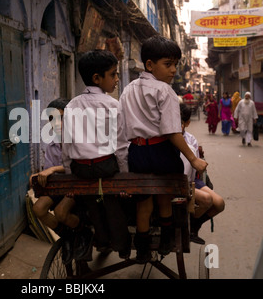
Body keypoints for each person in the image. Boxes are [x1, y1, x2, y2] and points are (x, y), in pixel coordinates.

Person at [119, 35, 208, 262]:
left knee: (143, 202)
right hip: (161, 152)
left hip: (137, 153)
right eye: (168, 64)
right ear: (150, 65)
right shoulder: (165, 91)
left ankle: (142, 248)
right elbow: (171, 132)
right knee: (164, 197)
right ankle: (167, 240)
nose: (173, 71)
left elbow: (122, 128)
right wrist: (193, 158)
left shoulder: (128, 89)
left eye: (175, 65)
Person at [62, 49, 132, 259]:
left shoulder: (71, 105)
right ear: (97, 78)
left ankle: (101, 241)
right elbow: (120, 147)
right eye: (113, 74)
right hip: (106, 167)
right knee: (112, 202)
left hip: (81, 169)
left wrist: (69, 173)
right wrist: (125, 174)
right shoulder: (112, 104)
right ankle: (121, 244)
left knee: (93, 202)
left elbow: (67, 145)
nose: (117, 79)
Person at [29, 98, 85, 263]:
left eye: (61, 118)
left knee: (61, 212)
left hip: (78, 187)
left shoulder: (79, 141)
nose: (57, 123)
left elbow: (77, 166)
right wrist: (39, 176)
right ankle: (67, 237)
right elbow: (49, 172)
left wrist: (53, 169)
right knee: (38, 208)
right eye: (52, 119)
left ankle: (83, 232)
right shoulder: (51, 144)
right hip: (60, 187)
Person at [180, 103, 225, 245]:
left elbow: (197, 166)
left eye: (180, 123)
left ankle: (194, 225)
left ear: (187, 123)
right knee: (206, 200)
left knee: (219, 203)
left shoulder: (191, 139)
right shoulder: (164, 139)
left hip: (192, 180)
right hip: (176, 182)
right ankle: (188, 226)